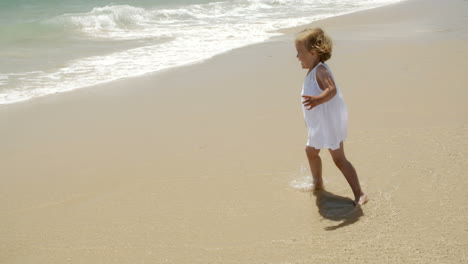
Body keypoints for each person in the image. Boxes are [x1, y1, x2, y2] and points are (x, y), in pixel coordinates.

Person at [295, 28, 368, 206]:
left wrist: (318, 100)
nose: (297, 57)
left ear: (313, 52)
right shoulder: (313, 70)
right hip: (318, 124)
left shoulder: (321, 70)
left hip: (328, 124)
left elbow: (332, 90)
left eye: (299, 53)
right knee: (311, 152)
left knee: (339, 159)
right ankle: (318, 183)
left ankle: (359, 193)